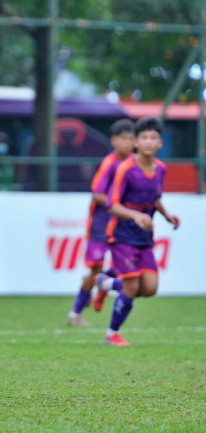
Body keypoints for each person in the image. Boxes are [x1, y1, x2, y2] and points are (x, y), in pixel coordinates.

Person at [97, 117, 180, 346]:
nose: (149, 142)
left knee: (150, 288)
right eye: (144, 137)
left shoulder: (161, 169)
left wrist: (166, 215)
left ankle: (105, 282)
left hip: (143, 238)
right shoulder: (125, 169)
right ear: (136, 142)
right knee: (132, 286)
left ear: (160, 143)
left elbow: (155, 199)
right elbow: (112, 204)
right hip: (121, 235)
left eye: (153, 138)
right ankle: (111, 333)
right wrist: (136, 215)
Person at [66, 119, 134, 326]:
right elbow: (97, 194)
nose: (128, 143)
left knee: (127, 266)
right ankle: (75, 315)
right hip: (100, 225)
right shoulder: (110, 163)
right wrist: (119, 205)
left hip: (122, 225)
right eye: (123, 138)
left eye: (131, 138)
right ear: (113, 140)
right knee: (95, 270)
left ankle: (103, 287)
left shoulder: (134, 163)